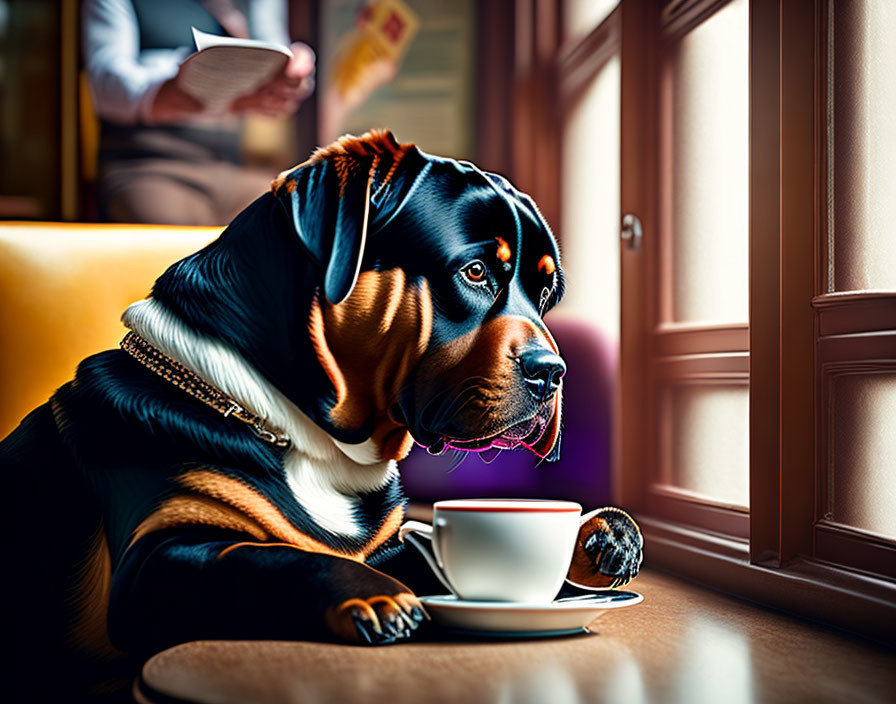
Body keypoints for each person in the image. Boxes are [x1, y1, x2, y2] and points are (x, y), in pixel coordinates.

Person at [83, 0, 315, 225]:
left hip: (232, 165)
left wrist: (291, 76)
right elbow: (105, 86)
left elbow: (274, 47)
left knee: (298, 219)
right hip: (147, 163)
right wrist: (174, 80)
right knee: (174, 232)